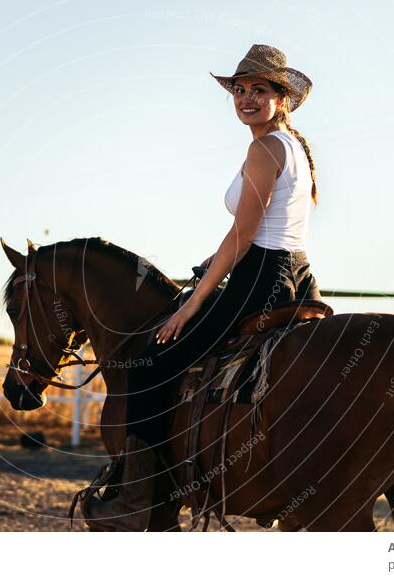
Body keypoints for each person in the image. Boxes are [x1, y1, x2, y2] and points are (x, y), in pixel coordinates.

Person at [83, 44, 322, 530]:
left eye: (259, 90)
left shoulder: (264, 147)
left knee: (149, 368)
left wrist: (189, 306)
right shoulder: (293, 148)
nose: (246, 98)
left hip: (261, 278)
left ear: (283, 98)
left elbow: (246, 234)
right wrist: (214, 261)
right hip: (297, 275)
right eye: (239, 89)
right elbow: (274, 229)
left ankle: (138, 502)